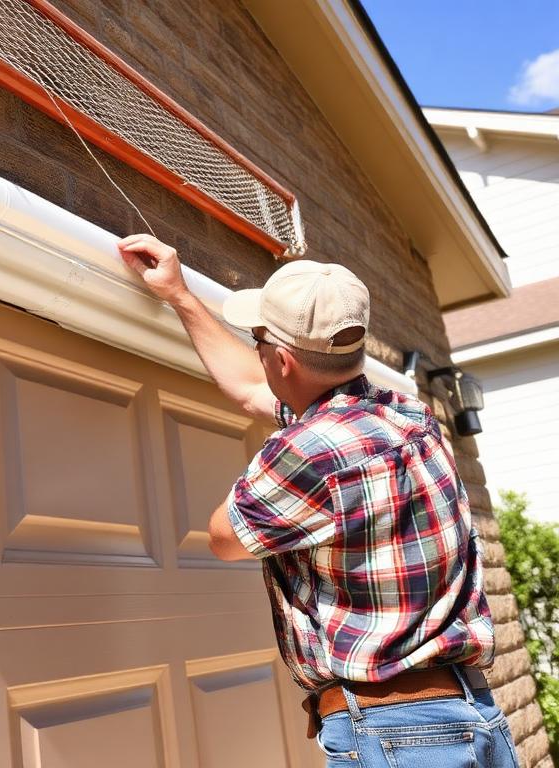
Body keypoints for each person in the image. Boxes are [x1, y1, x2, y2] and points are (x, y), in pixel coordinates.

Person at [117, 234, 519, 767]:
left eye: (259, 342)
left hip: (396, 736)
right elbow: (249, 390)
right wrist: (181, 296)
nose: (256, 355)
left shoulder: (305, 453)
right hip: (474, 715)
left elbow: (224, 538)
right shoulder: (406, 415)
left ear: (282, 359)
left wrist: (275, 465)